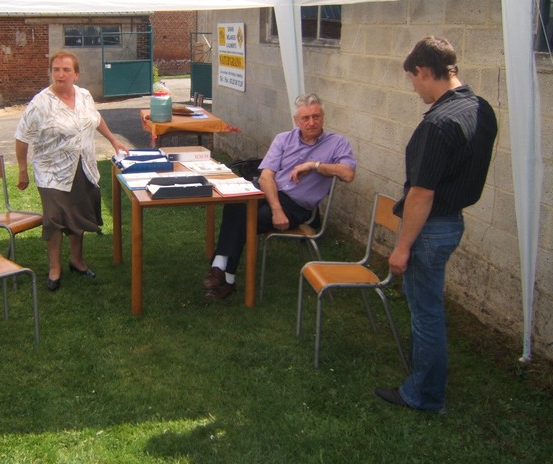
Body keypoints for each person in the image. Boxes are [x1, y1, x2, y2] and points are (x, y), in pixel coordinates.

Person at [375, 36, 497, 412]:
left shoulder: (439, 123)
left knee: (426, 311)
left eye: (413, 80)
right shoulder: (480, 107)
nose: (414, 89)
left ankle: (424, 394)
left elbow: (421, 195)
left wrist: (401, 247)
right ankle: (423, 374)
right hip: (451, 222)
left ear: (424, 71)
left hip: (430, 227)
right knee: (426, 307)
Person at [203, 93, 357, 299]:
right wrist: (276, 210)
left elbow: (348, 174)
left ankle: (223, 273)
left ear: (323, 117)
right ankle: (225, 275)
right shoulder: (284, 139)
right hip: (269, 190)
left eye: (316, 116)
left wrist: (315, 165)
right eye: (305, 118)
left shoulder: (337, 143)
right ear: (296, 120)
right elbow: (266, 176)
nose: (312, 122)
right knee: (237, 202)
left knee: (245, 218)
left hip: (297, 205)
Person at [15, 51, 127, 291]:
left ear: (76, 74)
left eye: (66, 70)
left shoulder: (85, 96)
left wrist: (113, 141)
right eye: (56, 69)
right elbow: (22, 137)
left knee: (78, 214)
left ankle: (77, 261)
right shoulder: (40, 103)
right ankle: (54, 268)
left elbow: (95, 119)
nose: (60, 74)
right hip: (51, 171)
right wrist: (22, 171)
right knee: (54, 218)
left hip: (83, 165)